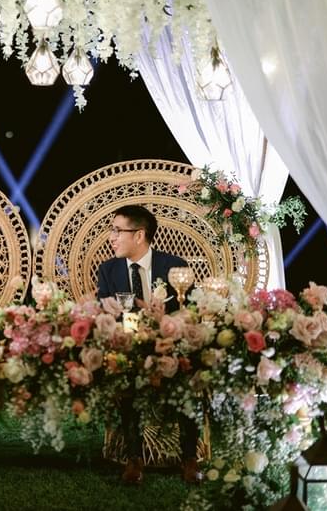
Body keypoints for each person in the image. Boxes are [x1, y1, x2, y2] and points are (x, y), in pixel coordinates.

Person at [95, 205, 200, 485]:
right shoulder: (109, 270)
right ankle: (134, 458)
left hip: (170, 341)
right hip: (129, 343)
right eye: (112, 231)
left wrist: (165, 322)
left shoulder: (174, 267)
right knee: (125, 369)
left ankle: (189, 457)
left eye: (117, 230)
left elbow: (189, 310)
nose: (111, 237)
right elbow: (108, 312)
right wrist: (137, 325)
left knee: (188, 368)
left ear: (139, 235)